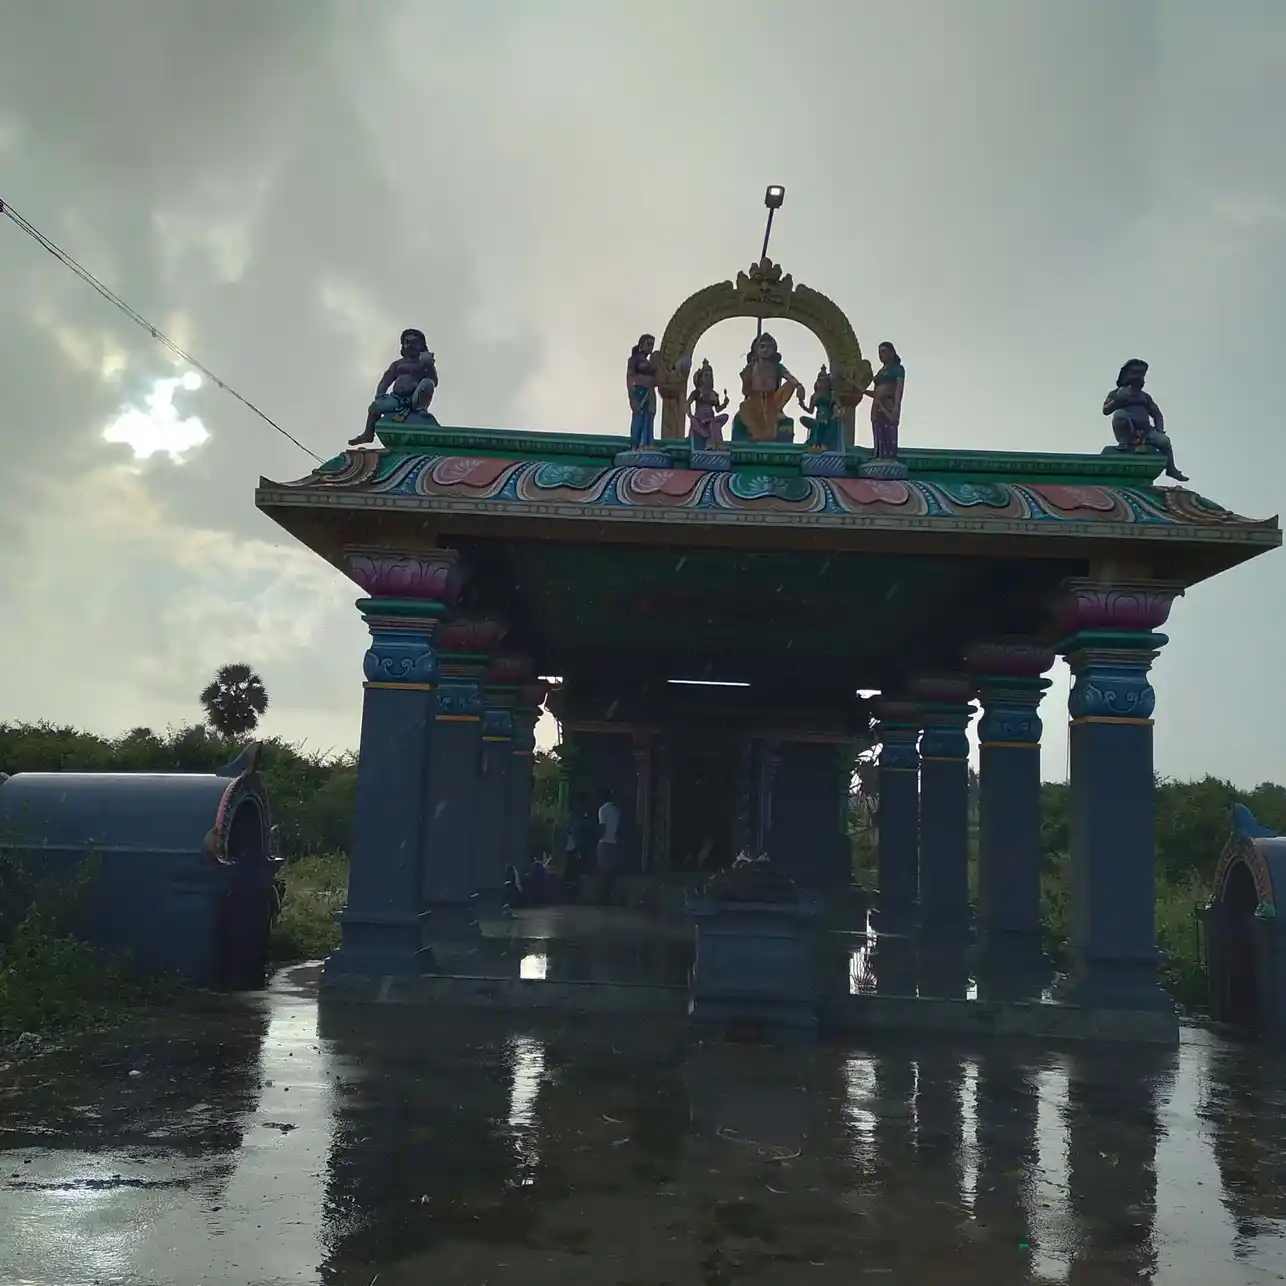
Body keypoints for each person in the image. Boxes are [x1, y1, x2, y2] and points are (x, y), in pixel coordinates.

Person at [1103, 359, 1188, 482]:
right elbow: (1106, 410)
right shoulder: (1117, 393)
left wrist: (1159, 429)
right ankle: (1124, 442)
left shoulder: (1145, 397)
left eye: (1141, 374)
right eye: (1134, 372)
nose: (1138, 376)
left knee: (1164, 441)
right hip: (1128, 428)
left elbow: (1157, 415)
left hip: (1146, 431)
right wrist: (1117, 401)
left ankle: (1171, 468)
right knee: (1119, 414)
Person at [861, 341, 904, 458]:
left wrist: (896, 406)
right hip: (877, 406)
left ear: (892, 352)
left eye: (884, 351)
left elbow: (899, 389)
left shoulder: (897, 369)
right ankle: (879, 456)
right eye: (879, 352)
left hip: (888, 404)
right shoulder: (880, 371)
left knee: (888, 433)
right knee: (878, 433)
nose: (881, 355)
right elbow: (876, 393)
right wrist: (863, 391)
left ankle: (889, 457)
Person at [626, 334, 660, 449]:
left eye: (652, 345)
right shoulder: (634, 360)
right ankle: (636, 445)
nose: (650, 347)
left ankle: (647, 443)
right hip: (639, 391)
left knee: (649, 417)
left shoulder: (649, 362)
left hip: (649, 391)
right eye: (648, 344)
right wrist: (631, 397)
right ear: (641, 345)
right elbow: (630, 377)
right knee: (639, 417)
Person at [596, 786, 621, 905]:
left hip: (604, 842)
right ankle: (609, 896)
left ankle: (602, 897)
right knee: (611, 871)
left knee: (602, 870)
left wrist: (597, 837)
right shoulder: (616, 810)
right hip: (614, 842)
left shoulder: (602, 809)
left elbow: (602, 826)